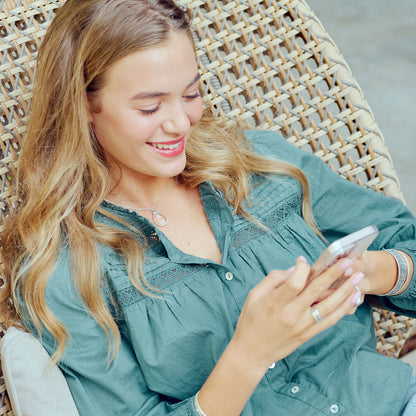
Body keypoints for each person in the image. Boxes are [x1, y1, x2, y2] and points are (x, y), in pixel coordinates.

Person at [1, 0, 416, 415]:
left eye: (191, 93)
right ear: (84, 106)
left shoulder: (262, 165)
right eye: (150, 107)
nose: (181, 122)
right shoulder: (65, 270)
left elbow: (406, 244)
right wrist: (249, 355)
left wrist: (369, 273)